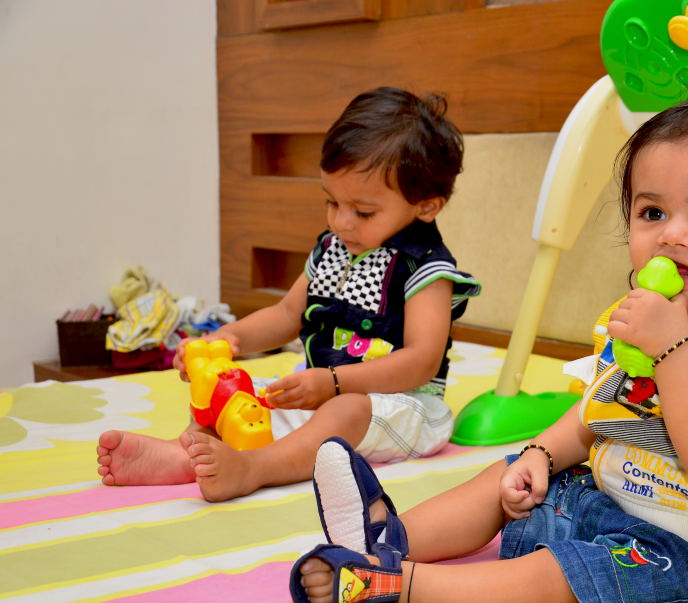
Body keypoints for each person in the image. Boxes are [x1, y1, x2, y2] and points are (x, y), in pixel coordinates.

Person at [289, 92, 688, 603]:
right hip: (606, 505)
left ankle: (392, 585)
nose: (672, 234)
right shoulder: (639, 318)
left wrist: (673, 350)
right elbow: (599, 411)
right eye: (652, 212)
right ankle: (384, 539)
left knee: (560, 580)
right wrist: (539, 454)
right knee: (507, 476)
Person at [96, 87, 481, 503]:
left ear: (426, 206)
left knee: (344, 410)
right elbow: (286, 314)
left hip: (402, 409)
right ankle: (183, 453)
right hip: (323, 391)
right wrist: (228, 339)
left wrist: (334, 382)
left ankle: (256, 468)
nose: (341, 222)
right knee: (238, 389)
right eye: (331, 202)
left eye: (363, 212)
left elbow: (421, 362)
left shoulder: (425, 270)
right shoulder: (334, 249)